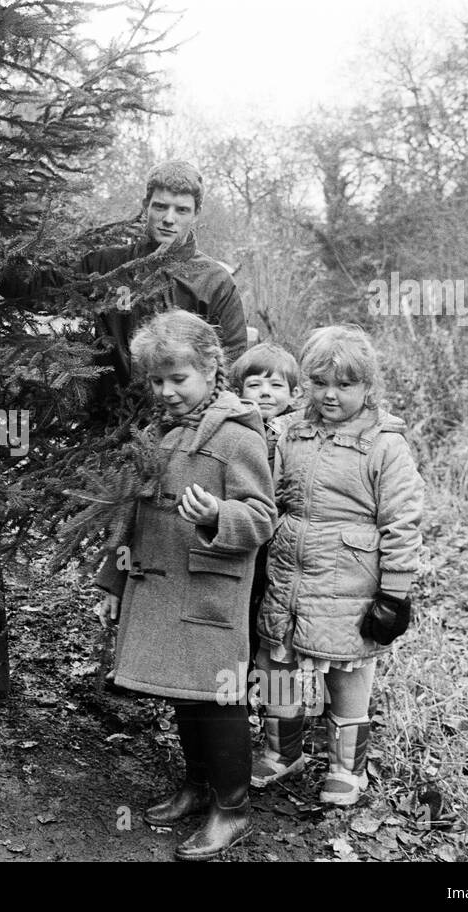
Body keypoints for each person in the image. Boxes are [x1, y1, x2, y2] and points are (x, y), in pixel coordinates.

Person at [93, 309, 275, 860]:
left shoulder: (236, 435)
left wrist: (219, 513)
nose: (167, 391)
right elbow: (132, 512)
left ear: (212, 370)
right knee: (183, 691)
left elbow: (262, 517)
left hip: (209, 589)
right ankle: (197, 787)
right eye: (156, 380)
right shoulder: (161, 433)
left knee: (218, 699)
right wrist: (112, 578)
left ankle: (233, 808)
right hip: (160, 586)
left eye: (179, 379)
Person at [251, 325, 424, 806]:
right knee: (275, 662)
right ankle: (281, 752)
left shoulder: (385, 446)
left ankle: (349, 768)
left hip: (349, 583)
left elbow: (403, 522)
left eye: (345, 385)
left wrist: (394, 594)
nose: (330, 394)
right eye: (320, 381)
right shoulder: (292, 433)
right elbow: (270, 496)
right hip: (287, 576)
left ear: (368, 387)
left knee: (345, 674)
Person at [0, 159, 249, 395]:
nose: (169, 219)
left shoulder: (214, 281)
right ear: (145, 206)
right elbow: (39, 290)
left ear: (196, 214)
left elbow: (232, 358)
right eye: (160, 206)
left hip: (183, 422)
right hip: (112, 420)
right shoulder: (107, 265)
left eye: (181, 210)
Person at [228, 342, 302, 662]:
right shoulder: (236, 425)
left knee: (271, 611)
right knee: (242, 604)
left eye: (276, 385)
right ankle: (239, 688)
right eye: (255, 384)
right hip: (245, 530)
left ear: (294, 394)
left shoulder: (297, 431)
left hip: (279, 538)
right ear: (240, 390)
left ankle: (270, 697)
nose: (265, 393)